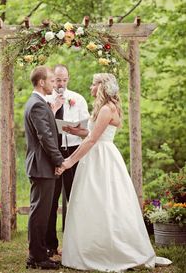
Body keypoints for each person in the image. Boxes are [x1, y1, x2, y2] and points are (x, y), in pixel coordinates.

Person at [56, 73, 172, 272]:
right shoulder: (108, 108)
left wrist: (69, 161)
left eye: (93, 84)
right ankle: (94, 245)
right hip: (101, 154)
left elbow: (93, 140)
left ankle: (106, 250)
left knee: (103, 200)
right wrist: (78, 132)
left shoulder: (105, 109)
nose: (91, 87)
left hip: (101, 158)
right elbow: (93, 133)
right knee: (97, 201)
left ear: (101, 87)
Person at [46, 64, 90, 257]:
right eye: (57, 80)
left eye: (64, 79)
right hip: (53, 153)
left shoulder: (78, 99)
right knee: (51, 200)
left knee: (76, 198)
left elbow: (87, 130)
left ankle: (77, 244)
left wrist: (75, 130)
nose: (60, 83)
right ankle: (50, 245)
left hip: (74, 151)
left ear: (68, 79)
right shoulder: (46, 99)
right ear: (52, 80)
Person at [24, 65, 64, 270]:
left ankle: (35, 254)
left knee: (38, 210)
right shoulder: (38, 105)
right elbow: (46, 138)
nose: (54, 84)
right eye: (50, 80)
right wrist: (59, 161)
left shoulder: (37, 103)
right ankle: (38, 257)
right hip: (42, 166)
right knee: (40, 212)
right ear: (41, 82)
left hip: (40, 166)